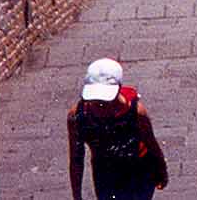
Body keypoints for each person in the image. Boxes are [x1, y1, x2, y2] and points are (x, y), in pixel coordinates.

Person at [68, 56, 168, 200]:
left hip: (138, 172)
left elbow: (151, 144)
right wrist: (77, 196)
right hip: (105, 174)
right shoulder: (77, 117)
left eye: (105, 100)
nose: (100, 106)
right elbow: (76, 158)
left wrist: (161, 171)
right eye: (95, 100)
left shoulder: (136, 112)